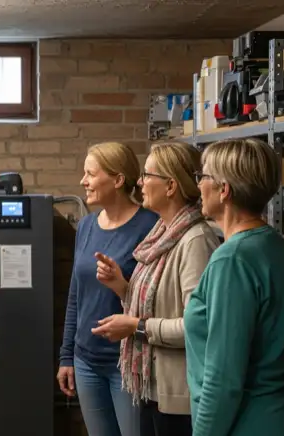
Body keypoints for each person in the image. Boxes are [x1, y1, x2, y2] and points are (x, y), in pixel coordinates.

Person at [91, 141, 220, 436]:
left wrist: (136, 326)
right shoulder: (161, 233)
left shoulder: (195, 241)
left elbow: (197, 327)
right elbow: (159, 304)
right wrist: (122, 287)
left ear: (171, 186)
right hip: (153, 389)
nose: (139, 182)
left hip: (178, 398)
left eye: (147, 175)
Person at [185, 138, 284, 436]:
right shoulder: (274, 244)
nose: (198, 185)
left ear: (224, 190)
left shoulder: (232, 260)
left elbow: (223, 379)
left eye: (203, 176)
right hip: (280, 418)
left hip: (246, 425)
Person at [57, 142, 159, 436]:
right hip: (86, 361)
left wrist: (121, 285)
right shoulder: (87, 225)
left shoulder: (150, 226)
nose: (83, 181)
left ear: (118, 180)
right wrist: (67, 356)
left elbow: (157, 301)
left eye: (91, 174)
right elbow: (75, 296)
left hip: (127, 363)